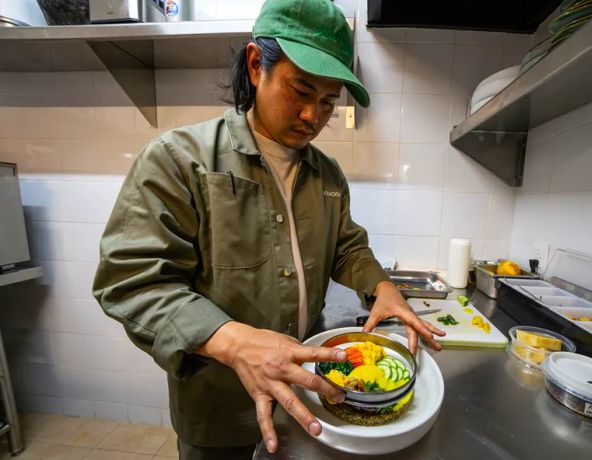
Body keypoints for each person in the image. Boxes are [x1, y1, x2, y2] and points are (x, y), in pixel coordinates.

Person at [93, 0, 444, 458]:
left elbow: (346, 247)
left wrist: (382, 287)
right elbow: (130, 280)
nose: (312, 117)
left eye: (327, 102)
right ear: (257, 65)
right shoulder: (179, 159)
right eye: (300, 91)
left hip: (306, 394)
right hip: (219, 405)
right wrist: (233, 341)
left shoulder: (327, 174)